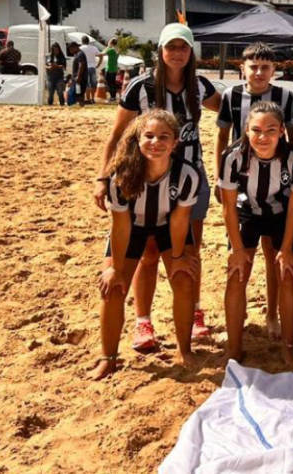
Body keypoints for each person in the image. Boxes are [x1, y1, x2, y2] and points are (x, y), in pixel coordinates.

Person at [93, 23, 220, 351]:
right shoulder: (140, 86)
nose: (177, 53)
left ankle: (193, 312)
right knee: (147, 253)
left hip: (190, 178)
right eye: (171, 47)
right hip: (144, 177)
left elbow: (232, 109)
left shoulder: (199, 86)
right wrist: (103, 177)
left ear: (191, 52)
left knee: (189, 251)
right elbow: (117, 135)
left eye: (183, 47)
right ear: (161, 51)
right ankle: (143, 321)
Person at [91, 109, 202, 380]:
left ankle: (184, 350)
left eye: (164, 137)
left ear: (175, 142)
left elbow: (180, 220)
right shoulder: (121, 175)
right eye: (149, 136)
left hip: (168, 226)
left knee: (184, 278)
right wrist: (116, 268)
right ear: (138, 140)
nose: (156, 142)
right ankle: (108, 358)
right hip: (132, 227)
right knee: (112, 287)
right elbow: (120, 226)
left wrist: (178, 257)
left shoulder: (187, 174)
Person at [215, 42, 293, 340]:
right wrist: (219, 175)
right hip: (243, 182)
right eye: (254, 67)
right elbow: (222, 136)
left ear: (273, 70)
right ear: (243, 68)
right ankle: (237, 327)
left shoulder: (286, 96)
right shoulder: (232, 95)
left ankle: (273, 314)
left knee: (274, 256)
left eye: (265, 67)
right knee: (241, 256)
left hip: (277, 186)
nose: (259, 72)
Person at [218, 101, 293, 365]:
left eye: (270, 130)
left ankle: (288, 345)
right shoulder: (233, 156)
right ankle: (234, 348)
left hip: (281, 214)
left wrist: (287, 249)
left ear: (282, 131)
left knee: (287, 273)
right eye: (256, 130)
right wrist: (237, 249)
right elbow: (228, 207)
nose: (263, 137)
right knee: (237, 273)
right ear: (246, 130)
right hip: (247, 212)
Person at [98, 37, 120, 101]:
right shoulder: (117, 50)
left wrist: (108, 46)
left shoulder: (111, 50)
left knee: (109, 83)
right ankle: (113, 96)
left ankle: (112, 97)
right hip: (114, 68)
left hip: (110, 68)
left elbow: (102, 54)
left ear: (111, 43)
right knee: (113, 83)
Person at [67, 41, 88, 106]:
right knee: (78, 94)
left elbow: (81, 65)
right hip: (77, 78)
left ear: (74, 47)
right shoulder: (77, 54)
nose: (70, 51)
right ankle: (80, 105)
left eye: (71, 49)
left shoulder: (80, 54)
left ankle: (80, 105)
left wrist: (78, 77)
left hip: (80, 78)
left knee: (78, 94)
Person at [80, 36, 100, 105]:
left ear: (82, 41)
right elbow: (100, 55)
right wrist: (99, 64)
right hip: (92, 67)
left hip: (85, 68)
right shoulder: (94, 48)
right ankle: (93, 98)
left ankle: (88, 99)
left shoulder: (81, 48)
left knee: (87, 84)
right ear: (88, 41)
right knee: (93, 84)